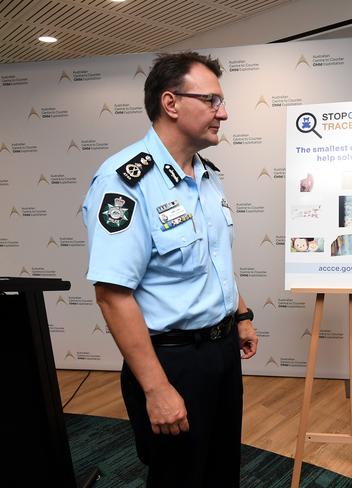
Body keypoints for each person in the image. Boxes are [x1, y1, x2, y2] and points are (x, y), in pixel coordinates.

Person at [83, 51, 258, 487]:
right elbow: (112, 294)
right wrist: (157, 389)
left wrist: (240, 314)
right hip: (172, 361)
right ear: (171, 103)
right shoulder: (124, 182)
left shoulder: (205, 174)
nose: (225, 112)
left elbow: (215, 258)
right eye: (213, 101)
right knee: (179, 477)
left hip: (220, 354)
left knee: (221, 471)